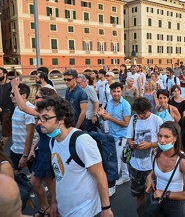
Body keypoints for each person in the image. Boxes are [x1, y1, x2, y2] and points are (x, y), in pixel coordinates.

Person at [36, 96, 113, 217]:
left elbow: (100, 175)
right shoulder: (53, 141)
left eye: (45, 118)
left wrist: (106, 208)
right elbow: (59, 175)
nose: (39, 122)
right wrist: (54, 202)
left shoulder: (82, 142)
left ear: (61, 119)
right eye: (38, 118)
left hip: (86, 211)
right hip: (65, 209)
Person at [11, 80, 58, 217]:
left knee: (51, 184)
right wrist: (33, 148)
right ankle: (46, 207)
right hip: (41, 150)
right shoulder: (41, 112)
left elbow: (23, 107)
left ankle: (54, 208)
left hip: (49, 152)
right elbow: (41, 134)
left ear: (46, 99)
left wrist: (14, 86)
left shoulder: (47, 113)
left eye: (37, 97)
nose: (34, 99)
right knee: (35, 181)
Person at [145, 121, 185, 216]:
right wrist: (149, 177)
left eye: (166, 137)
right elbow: (156, 171)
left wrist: (164, 194)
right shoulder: (156, 153)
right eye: (160, 136)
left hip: (176, 206)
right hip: (157, 201)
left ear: (175, 138)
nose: (162, 140)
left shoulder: (183, 162)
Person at [126, 97, 163, 206]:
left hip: (151, 167)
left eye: (143, 113)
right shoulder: (134, 118)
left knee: (152, 194)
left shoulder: (157, 120)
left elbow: (164, 143)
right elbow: (129, 138)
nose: (141, 116)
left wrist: (150, 145)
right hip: (135, 165)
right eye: (138, 113)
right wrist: (131, 143)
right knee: (138, 194)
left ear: (149, 109)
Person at [98, 82, 131, 197]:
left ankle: (111, 187)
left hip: (121, 137)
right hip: (112, 135)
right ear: (110, 92)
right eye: (114, 91)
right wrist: (102, 115)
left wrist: (110, 118)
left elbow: (126, 123)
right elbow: (106, 117)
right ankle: (126, 175)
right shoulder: (109, 102)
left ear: (121, 92)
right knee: (120, 158)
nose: (116, 94)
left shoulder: (125, 105)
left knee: (114, 162)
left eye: (118, 91)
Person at [9, 83, 36, 174]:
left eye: (13, 94)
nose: (10, 96)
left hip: (28, 152)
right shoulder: (17, 107)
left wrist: (25, 155)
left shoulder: (29, 110)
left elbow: (30, 134)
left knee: (36, 181)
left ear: (23, 95)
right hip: (15, 149)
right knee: (14, 176)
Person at [0, 67, 14, 147]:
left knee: (6, 124)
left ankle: (2, 149)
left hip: (8, 109)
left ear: (5, 74)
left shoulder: (11, 84)